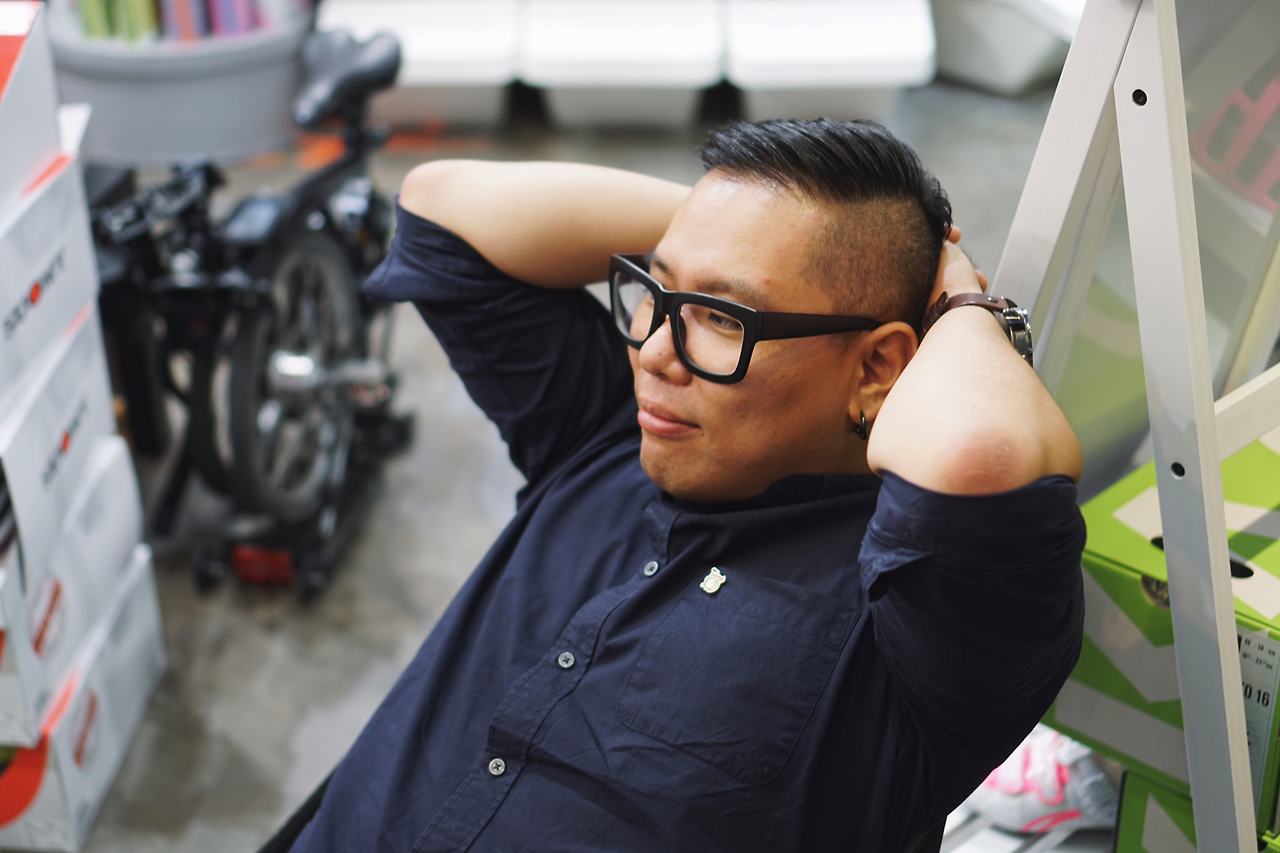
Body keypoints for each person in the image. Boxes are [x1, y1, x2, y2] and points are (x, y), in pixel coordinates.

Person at [288, 119, 1086, 853]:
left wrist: (961, 301)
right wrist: (739, 225)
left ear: (878, 366)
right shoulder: (604, 436)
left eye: (723, 317)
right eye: (656, 291)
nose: (654, 352)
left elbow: (980, 455)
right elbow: (442, 209)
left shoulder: (916, 621)